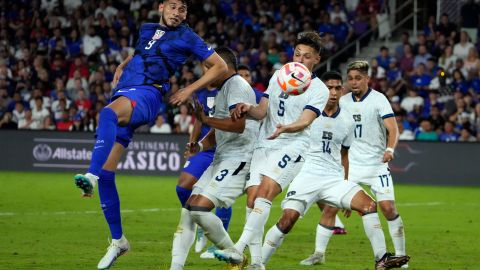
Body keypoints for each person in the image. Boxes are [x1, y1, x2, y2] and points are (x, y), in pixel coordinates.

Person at [73, 1, 228, 269]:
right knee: (109, 173)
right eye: (173, 7)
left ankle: (90, 175)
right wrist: (123, 64)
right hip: (124, 91)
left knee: (107, 115)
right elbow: (141, 53)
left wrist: (190, 89)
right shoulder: (147, 29)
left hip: (147, 94)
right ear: (161, 7)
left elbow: (220, 66)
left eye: (183, 9)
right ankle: (118, 241)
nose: (177, 13)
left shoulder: (188, 36)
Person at [261, 71, 410, 270]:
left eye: (337, 88)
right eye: (329, 87)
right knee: (288, 221)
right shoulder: (308, 113)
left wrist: (347, 186)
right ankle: (258, 262)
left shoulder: (347, 120)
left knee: (368, 205)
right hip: (307, 175)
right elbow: (294, 128)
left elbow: (344, 156)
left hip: (333, 179)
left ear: (342, 90)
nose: (333, 92)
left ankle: (381, 259)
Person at [214, 31, 329, 269]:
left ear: (317, 59)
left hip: (292, 145)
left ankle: (238, 248)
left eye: (307, 56)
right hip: (264, 143)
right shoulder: (279, 75)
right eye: (297, 54)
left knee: (265, 193)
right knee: (252, 200)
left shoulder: (319, 89)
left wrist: (285, 128)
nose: (300, 59)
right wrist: (248, 107)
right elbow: (262, 110)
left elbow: (306, 121)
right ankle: (257, 263)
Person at [170, 47, 259, 270]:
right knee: (189, 211)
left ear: (221, 67)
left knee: (199, 209)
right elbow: (219, 131)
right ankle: (175, 267)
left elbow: (237, 126)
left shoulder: (237, 85)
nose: (205, 75)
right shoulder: (224, 89)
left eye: (207, 69)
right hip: (222, 157)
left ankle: (235, 255)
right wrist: (200, 145)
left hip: (239, 159)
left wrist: (206, 119)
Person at [321, 60, 408, 268]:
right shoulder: (343, 101)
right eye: (350, 78)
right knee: (331, 208)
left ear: (367, 78)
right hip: (352, 165)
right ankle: (318, 254)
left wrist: (390, 149)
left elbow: (393, 129)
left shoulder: (379, 100)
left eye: (358, 78)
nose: (353, 82)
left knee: (388, 208)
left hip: (376, 165)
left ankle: (401, 257)